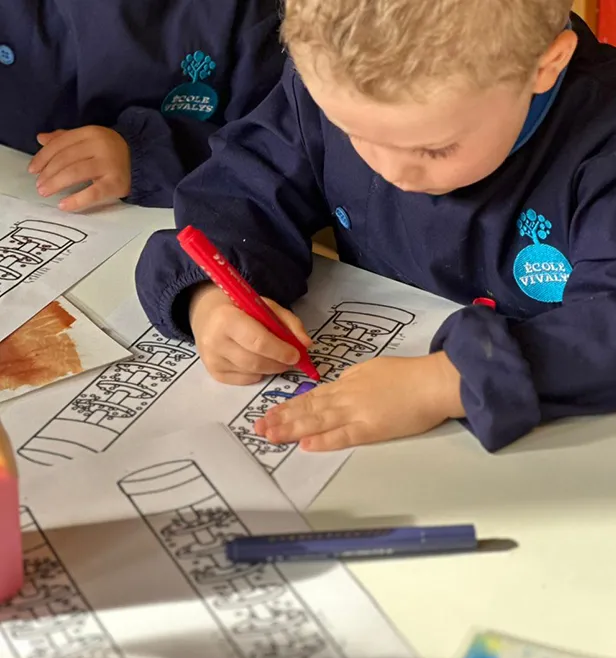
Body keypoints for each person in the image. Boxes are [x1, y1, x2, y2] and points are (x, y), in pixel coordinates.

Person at [135, 1, 616, 453]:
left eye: (433, 149)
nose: (392, 172)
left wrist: (445, 383)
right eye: (351, 132)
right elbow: (238, 191)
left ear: (545, 65)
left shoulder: (603, 141)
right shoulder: (337, 79)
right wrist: (211, 298)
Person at [0, 0, 285, 210]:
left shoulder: (253, 14)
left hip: (166, 225)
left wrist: (144, 157)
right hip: (27, 203)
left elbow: (274, 148)